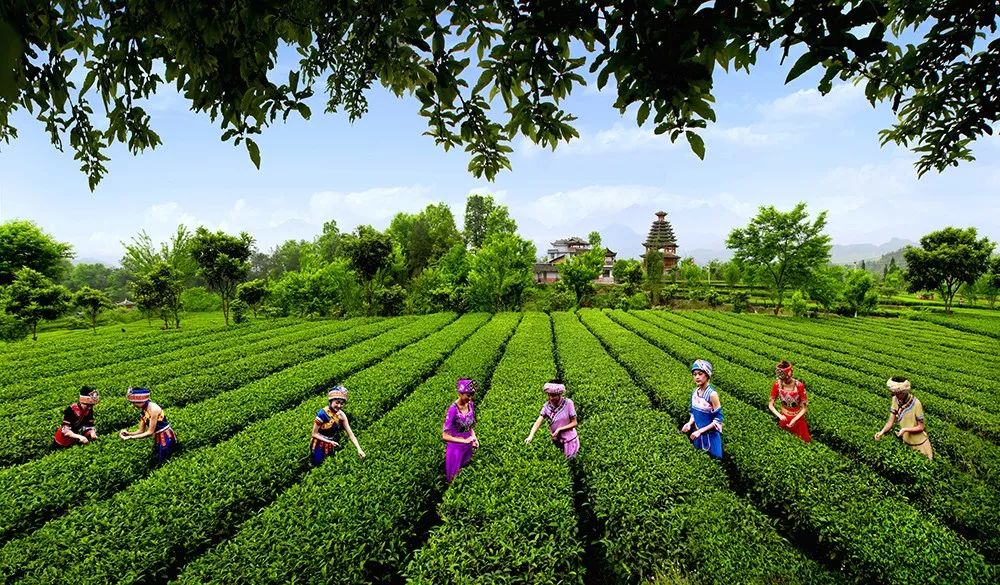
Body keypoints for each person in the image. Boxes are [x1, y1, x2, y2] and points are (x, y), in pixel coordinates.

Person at [875, 376, 933, 460]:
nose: (896, 395)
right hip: (906, 441)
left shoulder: (916, 403)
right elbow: (890, 421)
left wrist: (904, 430)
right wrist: (882, 432)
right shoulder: (895, 400)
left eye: (898, 393)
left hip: (919, 443)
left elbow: (921, 427)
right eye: (895, 393)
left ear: (904, 392)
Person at [119, 387, 179, 463]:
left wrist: (131, 437)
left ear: (141, 400)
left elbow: (150, 432)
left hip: (166, 436)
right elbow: (141, 431)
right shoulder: (144, 411)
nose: (133, 405)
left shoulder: (153, 409)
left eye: (135, 403)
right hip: (157, 437)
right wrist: (128, 433)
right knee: (158, 458)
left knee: (164, 459)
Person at [310, 385, 365, 465]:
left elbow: (350, 434)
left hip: (331, 444)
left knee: (328, 464)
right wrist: (329, 441)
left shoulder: (341, 415)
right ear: (331, 401)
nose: (339, 406)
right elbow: (314, 434)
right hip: (319, 444)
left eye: (342, 403)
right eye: (337, 402)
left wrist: (359, 449)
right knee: (318, 463)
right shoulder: (322, 414)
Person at [524, 379, 579, 459]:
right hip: (556, 440)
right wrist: (530, 436)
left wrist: (560, 429)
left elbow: (574, 423)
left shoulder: (568, 403)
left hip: (570, 440)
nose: (551, 398)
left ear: (559, 394)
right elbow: (538, 421)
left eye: (553, 395)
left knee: (570, 462)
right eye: (549, 395)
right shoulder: (547, 406)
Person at [680, 359, 723, 459]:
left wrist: (700, 431)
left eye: (700, 374)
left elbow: (718, 420)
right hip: (697, 436)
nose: (697, 377)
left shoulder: (712, 394)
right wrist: (689, 424)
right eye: (695, 374)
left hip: (710, 437)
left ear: (707, 375)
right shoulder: (695, 392)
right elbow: (693, 413)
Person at [442, 378, 479, 483]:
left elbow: (469, 426)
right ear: (460, 393)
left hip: (468, 447)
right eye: (468, 395)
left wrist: (474, 438)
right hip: (456, 449)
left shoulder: (470, 405)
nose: (470, 398)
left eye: (472, 395)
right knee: (455, 479)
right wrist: (465, 441)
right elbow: (445, 436)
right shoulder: (453, 410)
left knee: (466, 476)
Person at [768, 360, 811, 442]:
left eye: (785, 379)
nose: (783, 381)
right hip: (784, 418)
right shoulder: (777, 385)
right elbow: (770, 404)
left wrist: (794, 420)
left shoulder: (799, 386)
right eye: (781, 379)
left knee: (803, 442)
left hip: (798, 420)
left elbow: (805, 408)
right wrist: (780, 416)